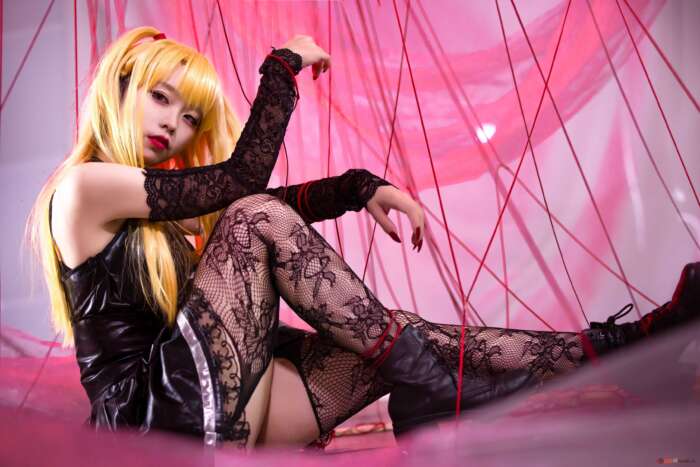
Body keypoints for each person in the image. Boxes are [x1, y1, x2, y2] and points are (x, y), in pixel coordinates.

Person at [25, 26, 700, 451]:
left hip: (227, 403)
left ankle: (630, 347)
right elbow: (244, 190)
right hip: (153, 421)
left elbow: (258, 202)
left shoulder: (157, 206)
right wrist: (282, 67)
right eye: (160, 97)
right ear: (120, 86)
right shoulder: (83, 188)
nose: (173, 123)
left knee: (396, 340)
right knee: (252, 217)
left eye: (191, 114)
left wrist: (357, 187)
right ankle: (434, 390)